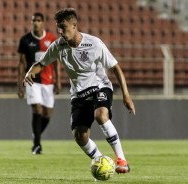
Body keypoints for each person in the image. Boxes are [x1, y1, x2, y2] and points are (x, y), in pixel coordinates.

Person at [23, 8, 135, 173]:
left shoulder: (94, 44)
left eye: (64, 27)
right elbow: (41, 63)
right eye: (58, 28)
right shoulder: (58, 46)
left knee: (100, 115)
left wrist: (126, 95)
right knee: (80, 136)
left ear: (74, 26)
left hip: (99, 87)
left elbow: (115, 67)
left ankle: (121, 160)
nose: (60, 31)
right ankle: (100, 161)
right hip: (79, 95)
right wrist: (29, 72)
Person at [17, 12, 61, 155]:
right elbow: (22, 64)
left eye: (38, 20)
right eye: (33, 20)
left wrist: (59, 81)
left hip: (48, 82)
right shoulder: (25, 40)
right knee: (37, 110)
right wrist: (20, 85)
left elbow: (56, 63)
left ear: (43, 22)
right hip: (32, 81)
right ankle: (37, 145)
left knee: (47, 114)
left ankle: (36, 136)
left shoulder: (51, 39)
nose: (35, 23)